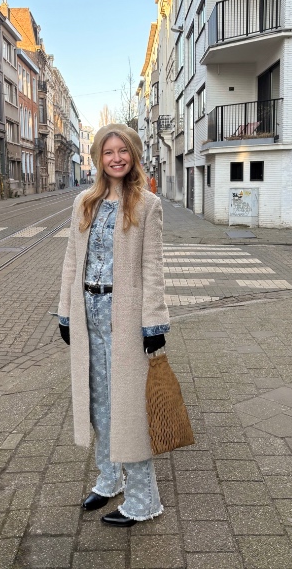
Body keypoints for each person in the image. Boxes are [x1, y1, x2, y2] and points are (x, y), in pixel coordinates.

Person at [56, 123, 170, 527]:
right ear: (98, 159)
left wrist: (154, 321)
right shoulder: (84, 202)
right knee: (97, 402)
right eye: (108, 152)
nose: (116, 158)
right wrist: (66, 312)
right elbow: (72, 259)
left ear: (133, 155)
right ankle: (109, 479)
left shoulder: (147, 204)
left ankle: (143, 499)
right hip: (88, 313)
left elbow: (153, 268)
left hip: (125, 318)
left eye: (123, 150)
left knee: (129, 409)